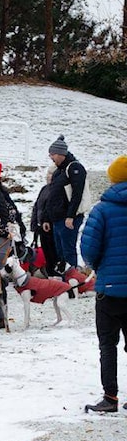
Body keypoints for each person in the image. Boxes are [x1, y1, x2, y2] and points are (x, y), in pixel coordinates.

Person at [80, 156, 127, 413]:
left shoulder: (102, 210)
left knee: (108, 345)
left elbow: (88, 249)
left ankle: (110, 397)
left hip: (109, 290)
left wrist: (100, 267)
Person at [43, 135, 88, 271]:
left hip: (67, 218)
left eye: (53, 154)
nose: (51, 157)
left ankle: (73, 280)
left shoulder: (75, 168)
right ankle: (63, 281)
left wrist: (71, 216)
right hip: (56, 218)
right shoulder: (58, 171)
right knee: (60, 252)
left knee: (68, 251)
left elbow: (77, 194)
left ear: (61, 154)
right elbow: (51, 195)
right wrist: (46, 217)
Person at [30, 165, 59, 277]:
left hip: (51, 226)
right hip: (41, 226)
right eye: (48, 173)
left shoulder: (56, 190)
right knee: (46, 251)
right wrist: (34, 224)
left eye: (51, 174)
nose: (48, 176)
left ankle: (53, 273)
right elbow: (36, 207)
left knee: (53, 252)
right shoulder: (44, 189)